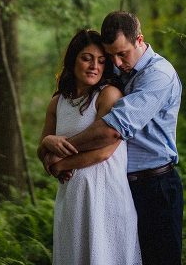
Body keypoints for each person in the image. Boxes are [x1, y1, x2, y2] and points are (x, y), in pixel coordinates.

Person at [43, 12, 183, 265]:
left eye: (122, 54)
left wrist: (61, 154)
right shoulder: (119, 73)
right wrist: (46, 144)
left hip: (156, 185)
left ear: (139, 40)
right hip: (122, 185)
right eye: (111, 56)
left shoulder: (158, 75)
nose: (116, 63)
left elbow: (112, 131)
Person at [37, 29, 141, 265]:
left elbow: (105, 151)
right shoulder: (57, 102)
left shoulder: (109, 96)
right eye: (87, 58)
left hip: (105, 197)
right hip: (72, 199)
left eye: (101, 61)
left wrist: (59, 163)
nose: (95, 66)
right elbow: (41, 151)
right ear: (72, 59)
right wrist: (46, 143)